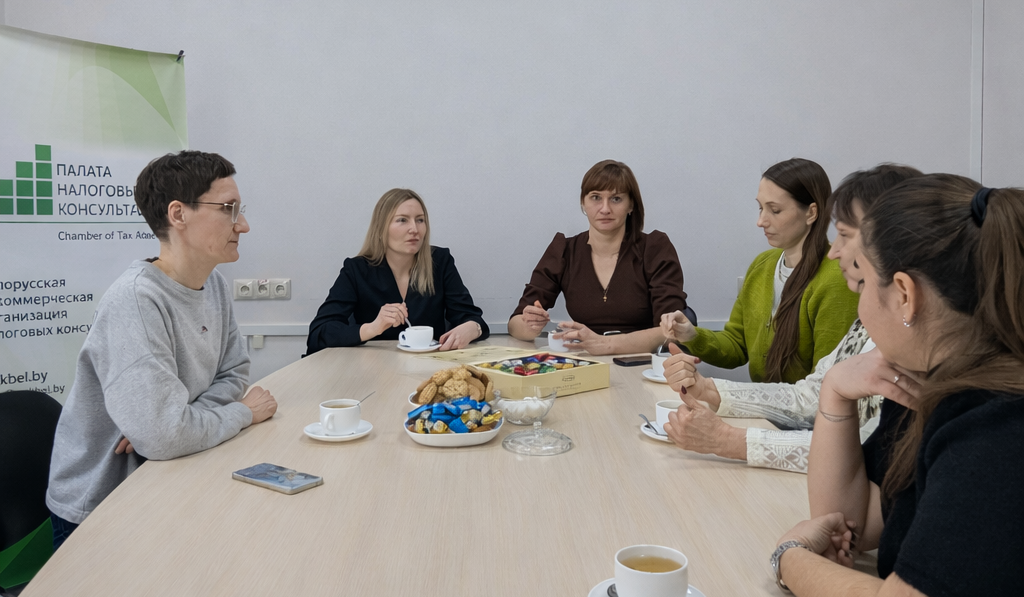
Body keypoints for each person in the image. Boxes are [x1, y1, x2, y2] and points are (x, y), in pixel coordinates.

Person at [774, 175, 1024, 596]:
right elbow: (848, 525)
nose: (860, 299)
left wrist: (790, 558)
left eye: (865, 281)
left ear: (905, 294)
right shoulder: (927, 380)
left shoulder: (996, 427)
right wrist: (836, 390)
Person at [46, 151, 278, 548]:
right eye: (228, 209)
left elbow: (234, 372)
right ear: (178, 214)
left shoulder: (215, 285)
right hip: (104, 505)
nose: (243, 224)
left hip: (171, 471)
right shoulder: (135, 301)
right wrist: (241, 413)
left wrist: (180, 423)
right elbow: (167, 436)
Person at [661, 164, 923, 473]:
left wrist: (728, 440)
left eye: (844, 235)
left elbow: (861, 448)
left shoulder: (910, 343)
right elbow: (811, 395)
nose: (835, 251)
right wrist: (709, 390)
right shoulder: (766, 267)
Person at [661, 158, 858, 383]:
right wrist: (691, 335)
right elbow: (736, 344)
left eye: (775, 210)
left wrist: (728, 395)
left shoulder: (836, 279)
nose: (761, 221)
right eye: (760, 207)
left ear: (811, 213)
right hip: (764, 413)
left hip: (802, 417)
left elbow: (823, 388)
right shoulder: (762, 265)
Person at [507, 159, 690, 355]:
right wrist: (529, 326)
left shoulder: (654, 248)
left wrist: (606, 344)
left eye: (616, 199)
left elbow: (672, 331)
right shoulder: (564, 250)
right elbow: (515, 323)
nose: (605, 209)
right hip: (585, 362)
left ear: (631, 206)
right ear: (583, 203)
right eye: (595, 197)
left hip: (643, 362)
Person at [306, 188, 488, 353]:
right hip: (370, 371)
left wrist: (473, 327)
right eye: (402, 220)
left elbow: (471, 318)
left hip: (429, 369)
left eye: (420, 220)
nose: (414, 229)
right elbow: (318, 334)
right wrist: (373, 327)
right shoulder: (356, 270)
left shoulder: (440, 262)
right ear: (381, 229)